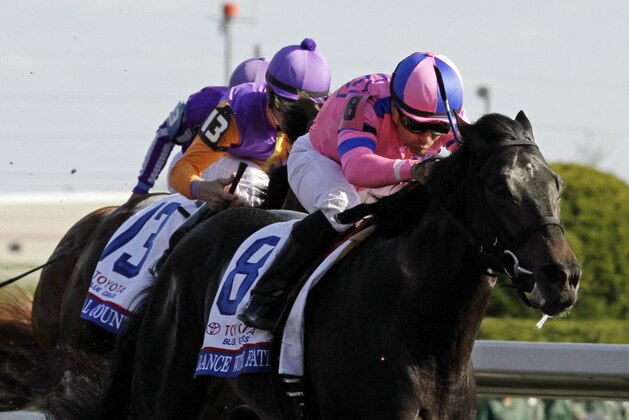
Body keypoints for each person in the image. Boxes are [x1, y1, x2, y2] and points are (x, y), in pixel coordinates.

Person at [238, 51, 469, 332]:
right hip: (323, 160)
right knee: (342, 207)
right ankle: (266, 295)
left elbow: (474, 157)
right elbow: (356, 167)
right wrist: (414, 169)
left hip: (385, 173)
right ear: (395, 108)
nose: (427, 139)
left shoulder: (448, 112)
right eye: (415, 126)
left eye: (438, 129)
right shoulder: (366, 102)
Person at [169, 38, 331, 211]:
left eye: (303, 110)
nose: (289, 117)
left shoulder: (327, 118)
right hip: (217, 162)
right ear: (268, 92)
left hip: (268, 171)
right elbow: (182, 169)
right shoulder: (235, 110)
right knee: (254, 182)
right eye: (284, 104)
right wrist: (200, 189)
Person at [129, 57, 270, 200]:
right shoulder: (205, 106)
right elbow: (164, 137)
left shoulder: (285, 117)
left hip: (242, 170)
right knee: (254, 180)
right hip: (187, 170)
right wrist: (141, 189)